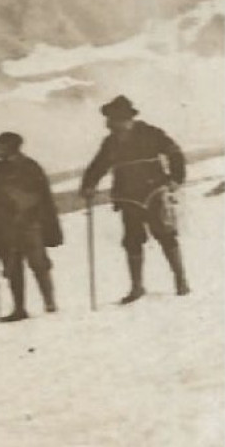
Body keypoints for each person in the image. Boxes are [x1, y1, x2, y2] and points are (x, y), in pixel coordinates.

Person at [79, 95, 190, 304]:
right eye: (110, 120)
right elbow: (98, 165)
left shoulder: (150, 133)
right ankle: (137, 287)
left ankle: (181, 280)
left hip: (154, 192)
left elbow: (175, 153)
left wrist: (176, 178)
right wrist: (88, 184)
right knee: (132, 241)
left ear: (126, 118)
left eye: (113, 119)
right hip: (127, 197)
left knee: (165, 235)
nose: (110, 124)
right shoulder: (110, 142)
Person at [0, 131, 63, 322]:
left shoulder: (29, 167)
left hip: (29, 223)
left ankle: (49, 303)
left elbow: (37, 196)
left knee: (38, 264)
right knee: (13, 267)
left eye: (1, 146)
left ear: (11, 147)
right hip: (6, 227)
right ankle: (19, 308)